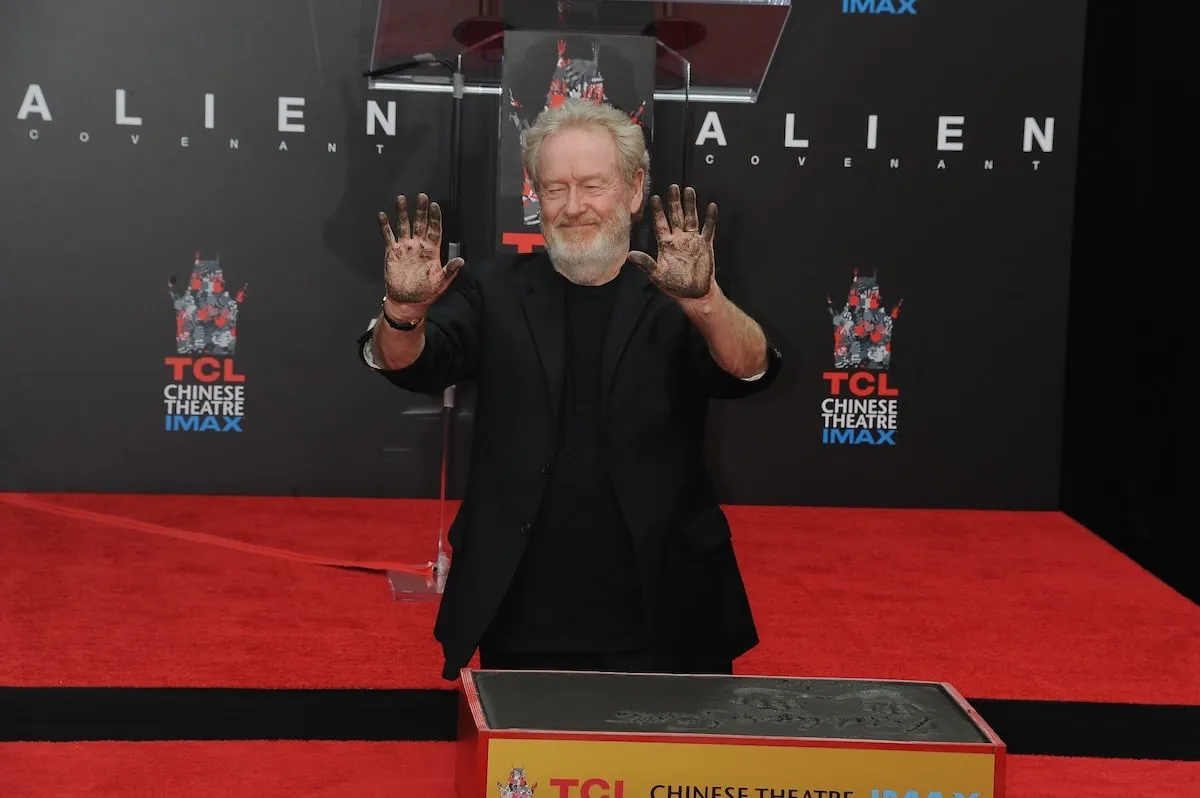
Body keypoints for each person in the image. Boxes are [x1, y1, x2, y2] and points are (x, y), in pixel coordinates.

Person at [357, 99, 783, 681]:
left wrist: (705, 304)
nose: (573, 207)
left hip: (668, 603)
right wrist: (403, 311)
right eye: (554, 189)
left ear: (634, 190)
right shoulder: (493, 289)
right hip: (525, 609)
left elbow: (748, 369)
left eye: (592, 185)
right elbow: (412, 363)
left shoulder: (677, 291)